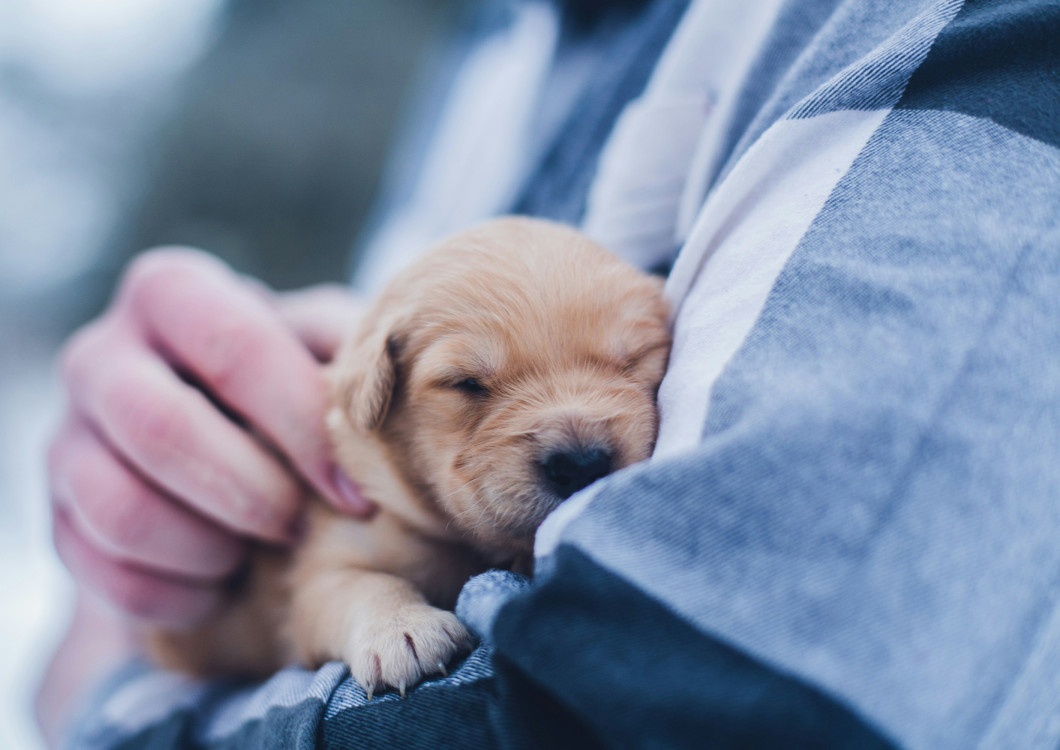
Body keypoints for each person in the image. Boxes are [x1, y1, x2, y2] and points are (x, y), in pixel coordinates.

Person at [37, 0, 1060, 747]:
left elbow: (651, 701)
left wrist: (105, 706)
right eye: (472, 387)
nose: (576, 430)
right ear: (373, 400)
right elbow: (309, 596)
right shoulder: (491, 48)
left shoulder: (960, 33)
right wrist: (133, 530)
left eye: (630, 360)